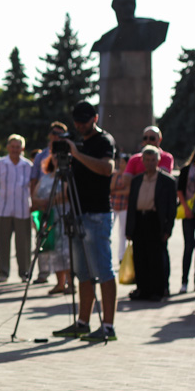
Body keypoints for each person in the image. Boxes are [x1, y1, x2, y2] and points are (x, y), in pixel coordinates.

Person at [51, 101, 118, 342]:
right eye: (77, 121)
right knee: (82, 273)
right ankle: (83, 322)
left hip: (97, 215)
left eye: (85, 121)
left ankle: (108, 326)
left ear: (95, 119)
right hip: (77, 213)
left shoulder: (103, 141)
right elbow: (55, 171)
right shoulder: (76, 141)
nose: (80, 125)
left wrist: (77, 154)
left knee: (103, 270)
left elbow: (107, 169)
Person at [125, 146, 177, 301]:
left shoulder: (167, 181)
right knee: (140, 257)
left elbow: (171, 208)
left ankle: (157, 290)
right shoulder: (137, 180)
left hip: (155, 221)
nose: (149, 163)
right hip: (140, 220)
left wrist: (168, 229)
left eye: (153, 160)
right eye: (146, 160)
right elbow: (131, 205)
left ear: (158, 161)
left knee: (156, 258)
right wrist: (129, 229)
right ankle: (143, 289)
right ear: (142, 161)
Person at [0, 135, 33, 283]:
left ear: (22, 148)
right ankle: (3, 273)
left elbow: (33, 187)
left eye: (18, 147)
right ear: (8, 147)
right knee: (2, 243)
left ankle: (24, 272)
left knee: (23, 244)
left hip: (22, 209)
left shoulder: (28, 166)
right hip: (2, 209)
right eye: (13, 146)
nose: (15, 150)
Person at [31, 154, 72, 294]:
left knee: (67, 250)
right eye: (54, 158)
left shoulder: (67, 177)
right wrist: (40, 203)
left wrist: (50, 201)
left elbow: (67, 193)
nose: (57, 160)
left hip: (64, 217)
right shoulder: (45, 178)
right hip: (48, 218)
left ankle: (71, 283)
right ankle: (60, 283)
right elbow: (34, 196)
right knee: (54, 250)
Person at [178, 148, 195, 294]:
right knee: (188, 247)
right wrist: (186, 208)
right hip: (188, 213)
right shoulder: (186, 170)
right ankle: (184, 281)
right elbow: (180, 191)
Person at [110, 153, 131, 263]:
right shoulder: (116, 174)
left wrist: (117, 192)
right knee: (109, 230)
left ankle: (121, 257)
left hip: (124, 206)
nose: (120, 164)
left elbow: (128, 191)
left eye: (123, 162)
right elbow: (111, 189)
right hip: (114, 206)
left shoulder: (128, 175)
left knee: (122, 232)